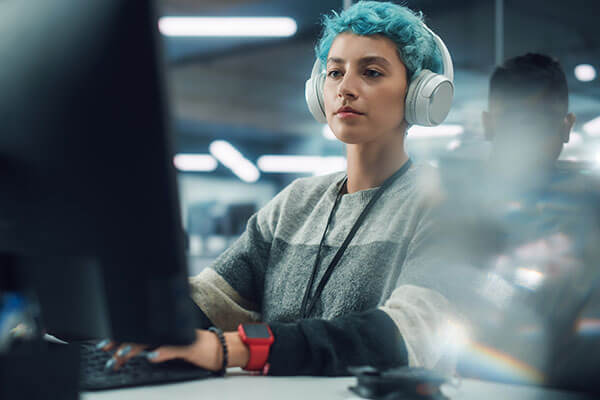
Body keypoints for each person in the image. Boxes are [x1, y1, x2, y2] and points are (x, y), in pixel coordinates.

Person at [103, 1, 460, 376]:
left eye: (371, 72)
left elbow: (407, 334)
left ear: (420, 93)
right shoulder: (295, 203)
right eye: (335, 72)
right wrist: (140, 322)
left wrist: (235, 347)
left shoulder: (443, 207)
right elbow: (215, 297)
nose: (345, 89)